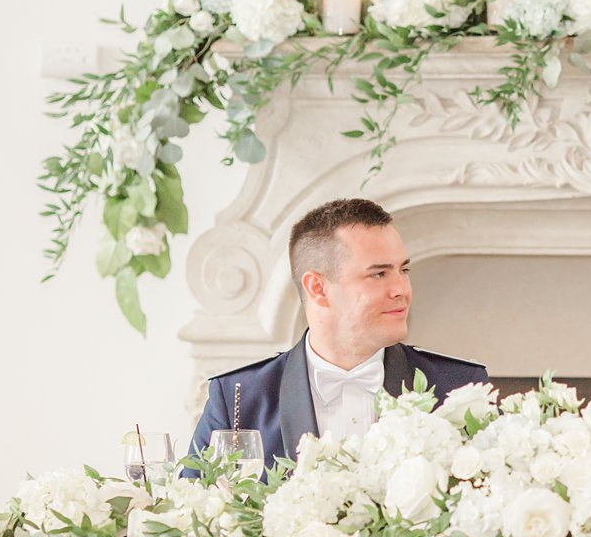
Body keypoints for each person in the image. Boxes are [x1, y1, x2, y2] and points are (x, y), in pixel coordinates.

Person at [188, 198, 488, 469]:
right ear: (318, 288)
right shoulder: (239, 398)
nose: (401, 290)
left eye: (403, 271)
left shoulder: (460, 390)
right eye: (379, 274)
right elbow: (194, 520)